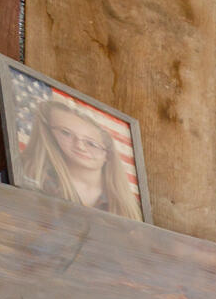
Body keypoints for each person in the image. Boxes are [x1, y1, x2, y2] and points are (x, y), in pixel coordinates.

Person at [20, 82, 142, 218]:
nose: (79, 146)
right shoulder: (31, 177)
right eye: (66, 133)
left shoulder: (128, 206)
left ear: (108, 154)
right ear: (49, 134)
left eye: (91, 144)